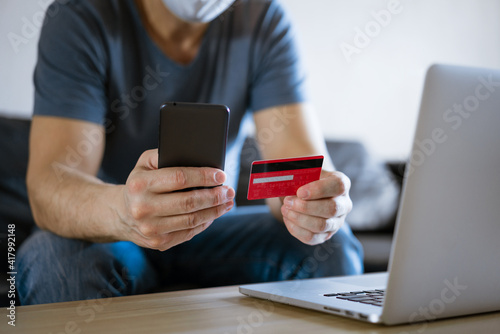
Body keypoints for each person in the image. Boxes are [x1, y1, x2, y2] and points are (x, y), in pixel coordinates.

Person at [17, 0, 363, 305]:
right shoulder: (81, 16)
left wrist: (314, 204)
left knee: (332, 246)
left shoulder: (261, 18)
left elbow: (295, 169)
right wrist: (125, 211)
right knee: (55, 261)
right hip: (111, 229)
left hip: (215, 230)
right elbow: (50, 184)